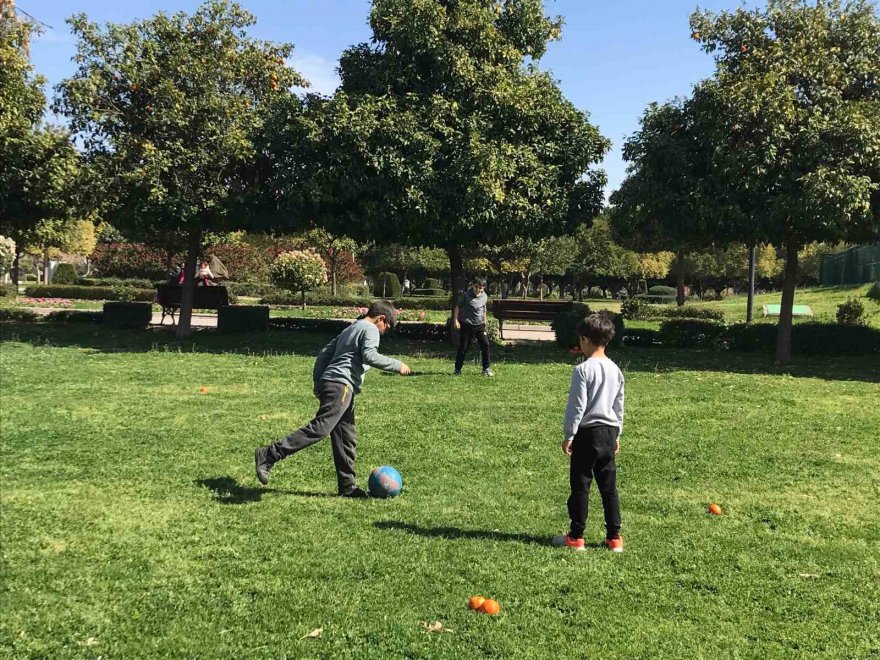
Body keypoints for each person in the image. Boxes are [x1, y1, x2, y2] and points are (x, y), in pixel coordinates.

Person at [254, 300, 411, 497]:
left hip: (335, 384)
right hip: (341, 385)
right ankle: (269, 454)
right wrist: (397, 365)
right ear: (381, 318)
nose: (384, 331)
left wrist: (319, 382)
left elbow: (324, 354)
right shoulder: (370, 329)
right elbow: (370, 355)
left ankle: (348, 487)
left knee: (346, 437)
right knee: (320, 428)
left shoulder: (351, 328)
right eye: (386, 326)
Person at [552, 314, 625, 552]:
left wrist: (569, 434)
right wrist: (617, 435)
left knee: (581, 485)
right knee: (608, 487)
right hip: (608, 433)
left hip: (587, 433)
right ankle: (614, 538)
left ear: (585, 340)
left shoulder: (582, 370)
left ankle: (576, 536)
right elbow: (619, 405)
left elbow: (577, 406)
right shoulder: (616, 370)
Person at [453, 276, 493, 377]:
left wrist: (485, 321)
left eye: (481, 288)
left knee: (486, 345)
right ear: (472, 285)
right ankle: (457, 369)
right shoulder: (465, 296)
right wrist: (456, 320)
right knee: (463, 348)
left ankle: (486, 369)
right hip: (467, 324)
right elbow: (457, 307)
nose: (478, 289)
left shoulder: (484, 296)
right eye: (476, 286)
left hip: (479, 325)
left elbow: (483, 308)